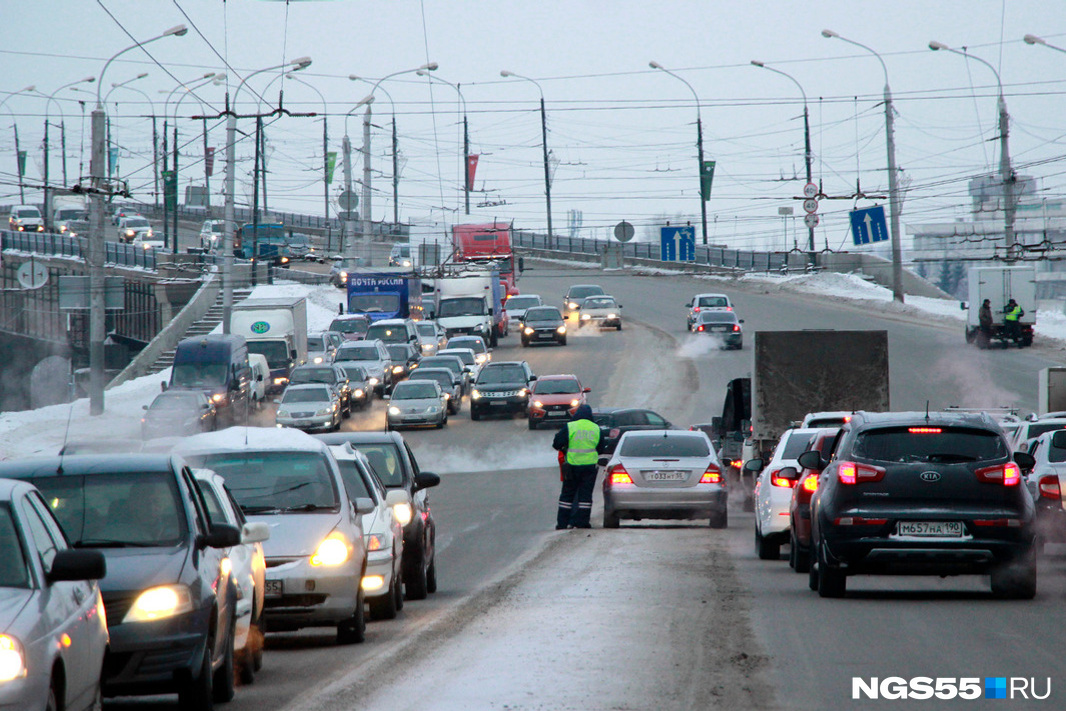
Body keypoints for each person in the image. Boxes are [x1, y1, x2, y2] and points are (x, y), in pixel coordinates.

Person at [552, 404, 603, 530]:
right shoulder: (596, 428)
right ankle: (582, 522)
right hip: (589, 467)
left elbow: (556, 443)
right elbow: (601, 448)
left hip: (572, 466)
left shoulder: (571, 426)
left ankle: (563, 523)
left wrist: (565, 449)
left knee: (567, 496)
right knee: (585, 497)